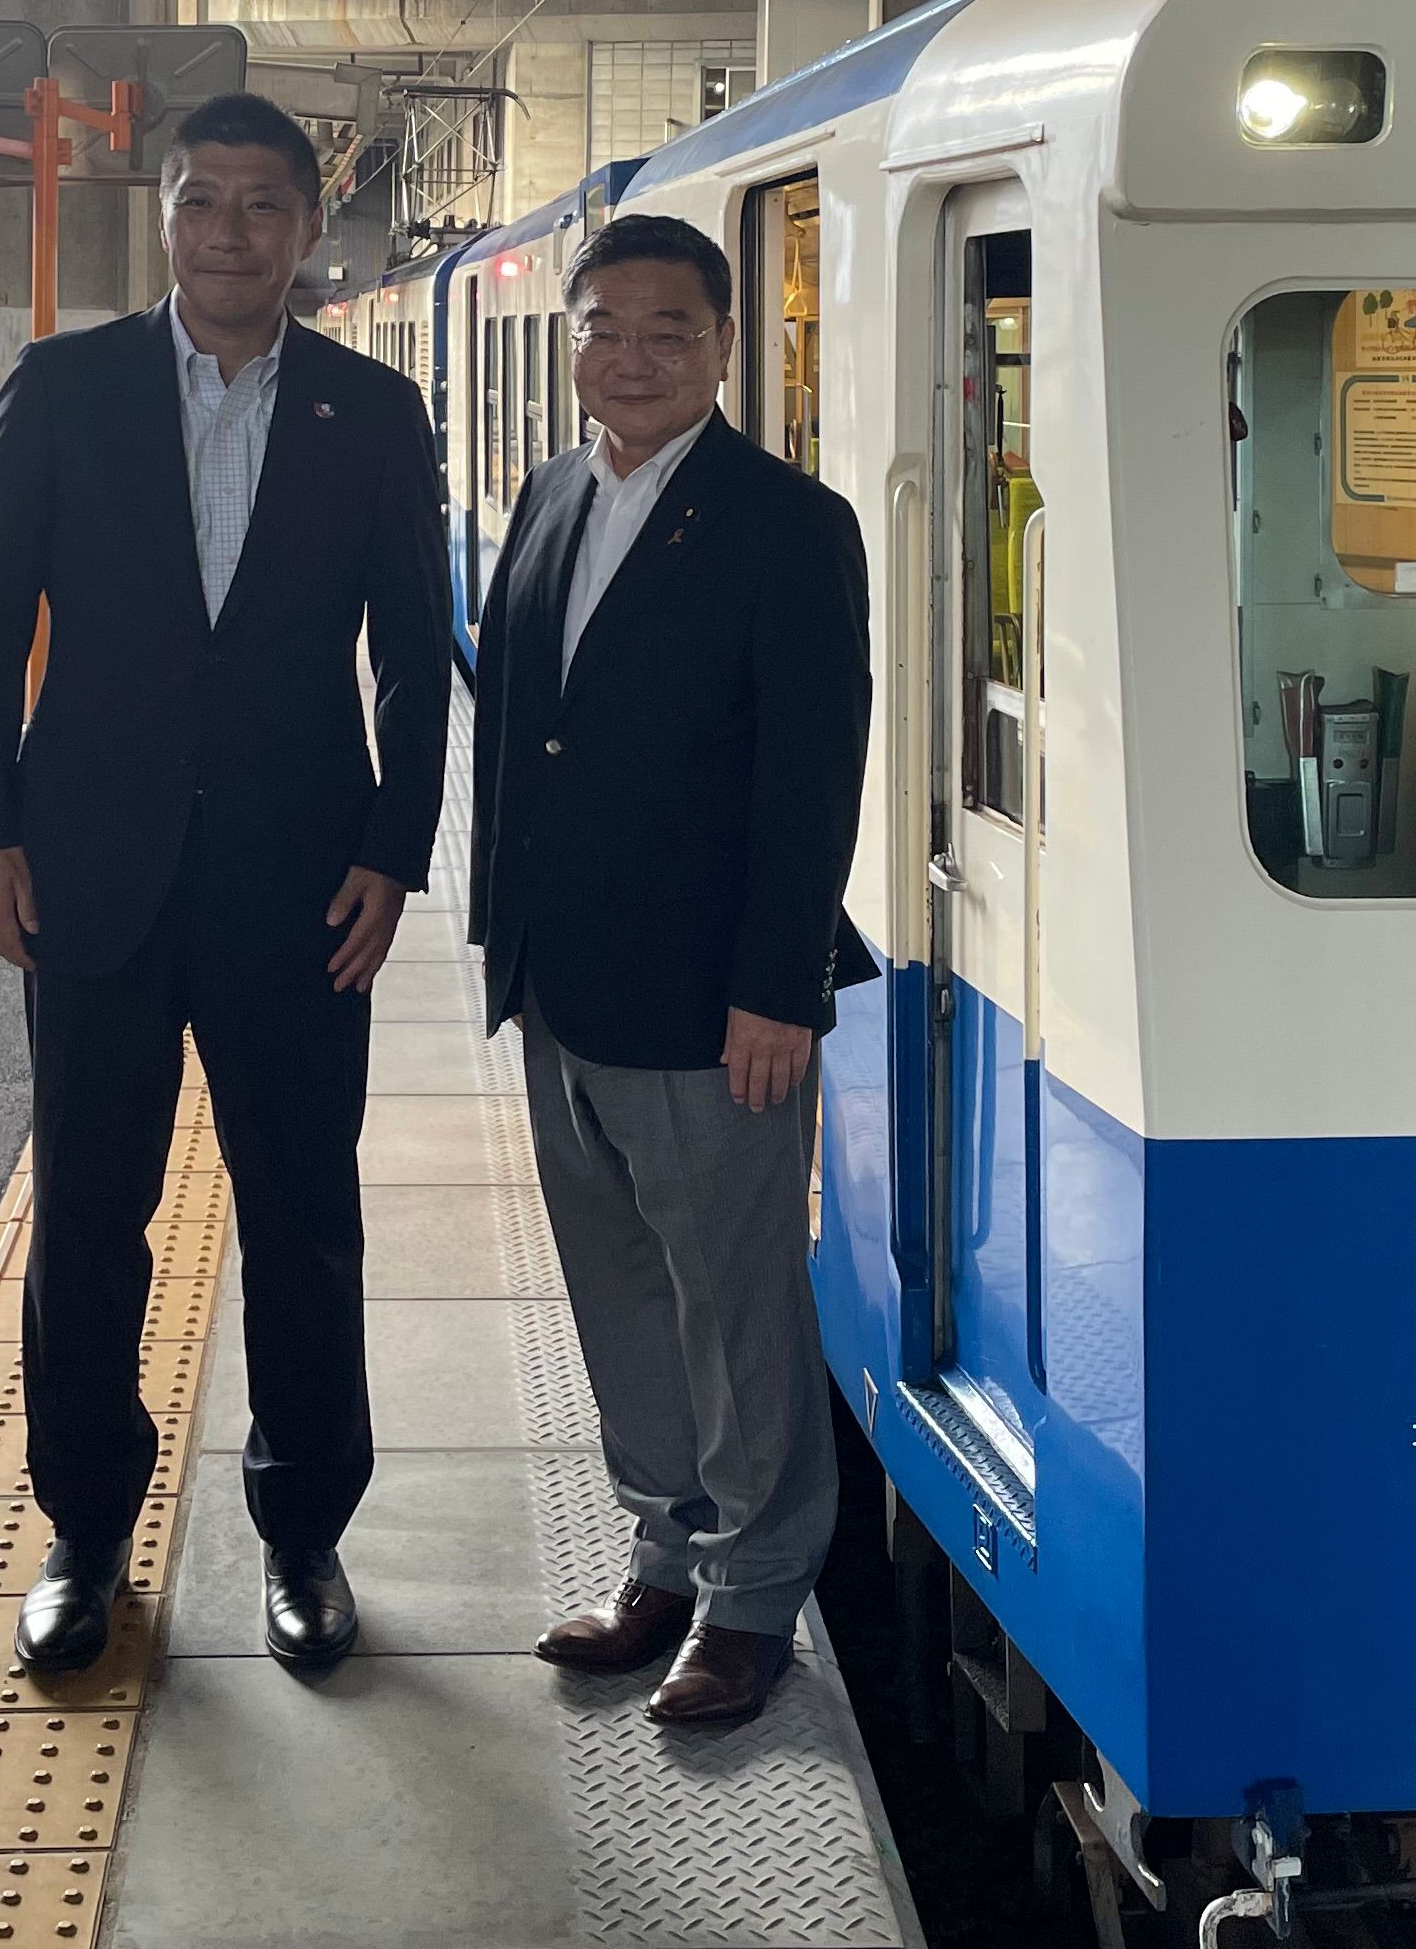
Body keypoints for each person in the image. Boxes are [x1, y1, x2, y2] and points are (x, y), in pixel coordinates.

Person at [0, 91, 452, 1683]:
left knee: (304, 1218)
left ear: (307, 230)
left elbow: (415, 660)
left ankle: (304, 1534)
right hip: (91, 868)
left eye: (261, 207)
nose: (231, 233)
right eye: (203, 202)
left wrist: (393, 846)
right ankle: (85, 1530)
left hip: (303, 883)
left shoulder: (374, 416)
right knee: (91, 1214)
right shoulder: (68, 387)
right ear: (166, 216)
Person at [469, 211, 873, 1730]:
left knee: (737, 1301)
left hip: (715, 1002)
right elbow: (518, 733)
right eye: (605, 327)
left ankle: (757, 1594)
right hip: (565, 986)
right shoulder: (552, 495)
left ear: (724, 348)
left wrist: (778, 984)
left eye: (668, 331)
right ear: (571, 339)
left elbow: (812, 770)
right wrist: (503, 941)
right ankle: (664, 1549)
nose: (631, 356)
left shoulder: (786, 522)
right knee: (620, 1289)